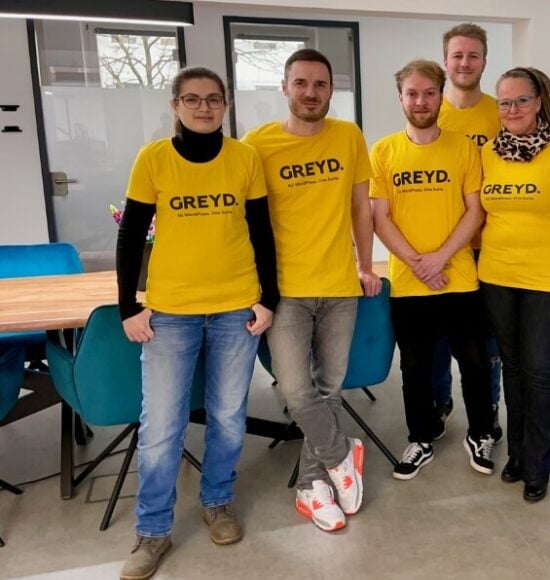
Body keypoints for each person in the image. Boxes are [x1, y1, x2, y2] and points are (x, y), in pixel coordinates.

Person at [116, 66, 278, 580]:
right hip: (171, 312)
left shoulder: (245, 158)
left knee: (229, 417)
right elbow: (132, 235)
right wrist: (128, 305)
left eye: (213, 99)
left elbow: (261, 233)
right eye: (192, 99)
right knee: (161, 427)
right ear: (175, 105)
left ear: (225, 105)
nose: (203, 107)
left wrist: (267, 298)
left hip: (235, 306)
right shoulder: (154, 159)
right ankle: (152, 531)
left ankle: (218, 502)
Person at [242, 48, 382, 534]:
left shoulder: (348, 136)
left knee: (329, 390)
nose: (311, 92)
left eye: (320, 85)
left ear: (330, 90)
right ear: (285, 87)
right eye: (301, 83)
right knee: (299, 390)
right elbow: (245, 221)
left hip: (340, 285)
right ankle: (342, 456)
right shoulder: (256, 146)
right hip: (285, 293)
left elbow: (361, 208)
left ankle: (312, 487)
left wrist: (365, 265)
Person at [370, 59, 497, 480]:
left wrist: (440, 258)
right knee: (416, 368)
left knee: (476, 363)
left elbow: (475, 211)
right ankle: (421, 438)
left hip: (458, 277)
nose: (420, 100)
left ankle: (481, 433)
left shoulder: (463, 147)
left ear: (441, 97)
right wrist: (417, 263)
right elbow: (380, 216)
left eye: (428, 93)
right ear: (400, 98)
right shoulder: (383, 151)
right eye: (412, 93)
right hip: (409, 283)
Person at [479, 67, 550, 502]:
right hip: (496, 275)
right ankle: (519, 454)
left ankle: (539, 464)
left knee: (541, 369)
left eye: (520, 100)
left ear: (539, 101)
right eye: (504, 102)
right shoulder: (487, 153)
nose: (511, 110)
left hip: (546, 278)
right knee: (512, 366)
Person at [434, 22, 503, 437]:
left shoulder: (500, 112)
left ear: (484, 61)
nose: (464, 62)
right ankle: (439, 402)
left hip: (488, 246)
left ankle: (488, 410)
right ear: (446, 61)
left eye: (472, 55)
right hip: (439, 247)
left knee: (486, 342)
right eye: (457, 55)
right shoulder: (429, 110)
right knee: (441, 337)